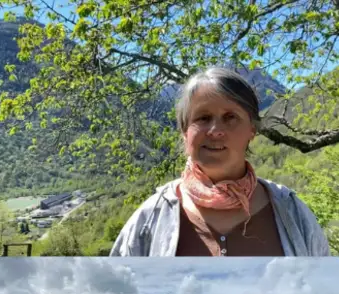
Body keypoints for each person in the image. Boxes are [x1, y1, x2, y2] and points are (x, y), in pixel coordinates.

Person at [111, 67, 329, 256]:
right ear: (185, 131)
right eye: (203, 118)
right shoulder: (151, 218)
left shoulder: (291, 212)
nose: (215, 131)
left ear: (252, 130)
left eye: (230, 117)